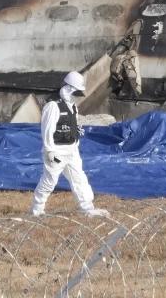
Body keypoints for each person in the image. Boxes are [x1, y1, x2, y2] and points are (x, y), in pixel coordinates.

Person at [30, 71, 108, 218]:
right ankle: (37, 210)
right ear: (68, 88)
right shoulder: (53, 106)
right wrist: (49, 150)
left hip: (72, 150)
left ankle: (87, 208)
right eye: (75, 92)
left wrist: (76, 133)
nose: (76, 96)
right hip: (57, 151)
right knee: (49, 181)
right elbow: (47, 129)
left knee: (79, 178)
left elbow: (72, 123)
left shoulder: (72, 106)